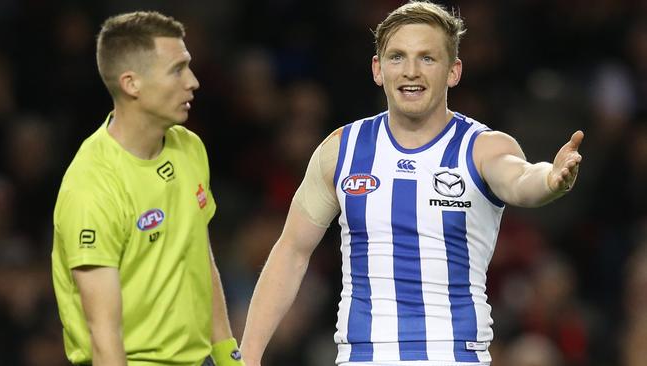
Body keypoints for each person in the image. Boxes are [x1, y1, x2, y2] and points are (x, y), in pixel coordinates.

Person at [240, 1, 583, 365]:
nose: (411, 71)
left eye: (427, 58)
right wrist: (247, 355)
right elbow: (291, 252)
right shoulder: (341, 150)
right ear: (377, 68)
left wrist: (550, 178)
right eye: (397, 57)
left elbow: (520, 179)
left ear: (453, 71)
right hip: (362, 357)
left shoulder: (482, 147)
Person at [51, 11, 244, 366]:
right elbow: (103, 335)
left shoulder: (190, 147)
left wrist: (228, 355)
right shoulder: (92, 186)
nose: (193, 81)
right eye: (177, 69)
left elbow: (201, 257)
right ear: (131, 84)